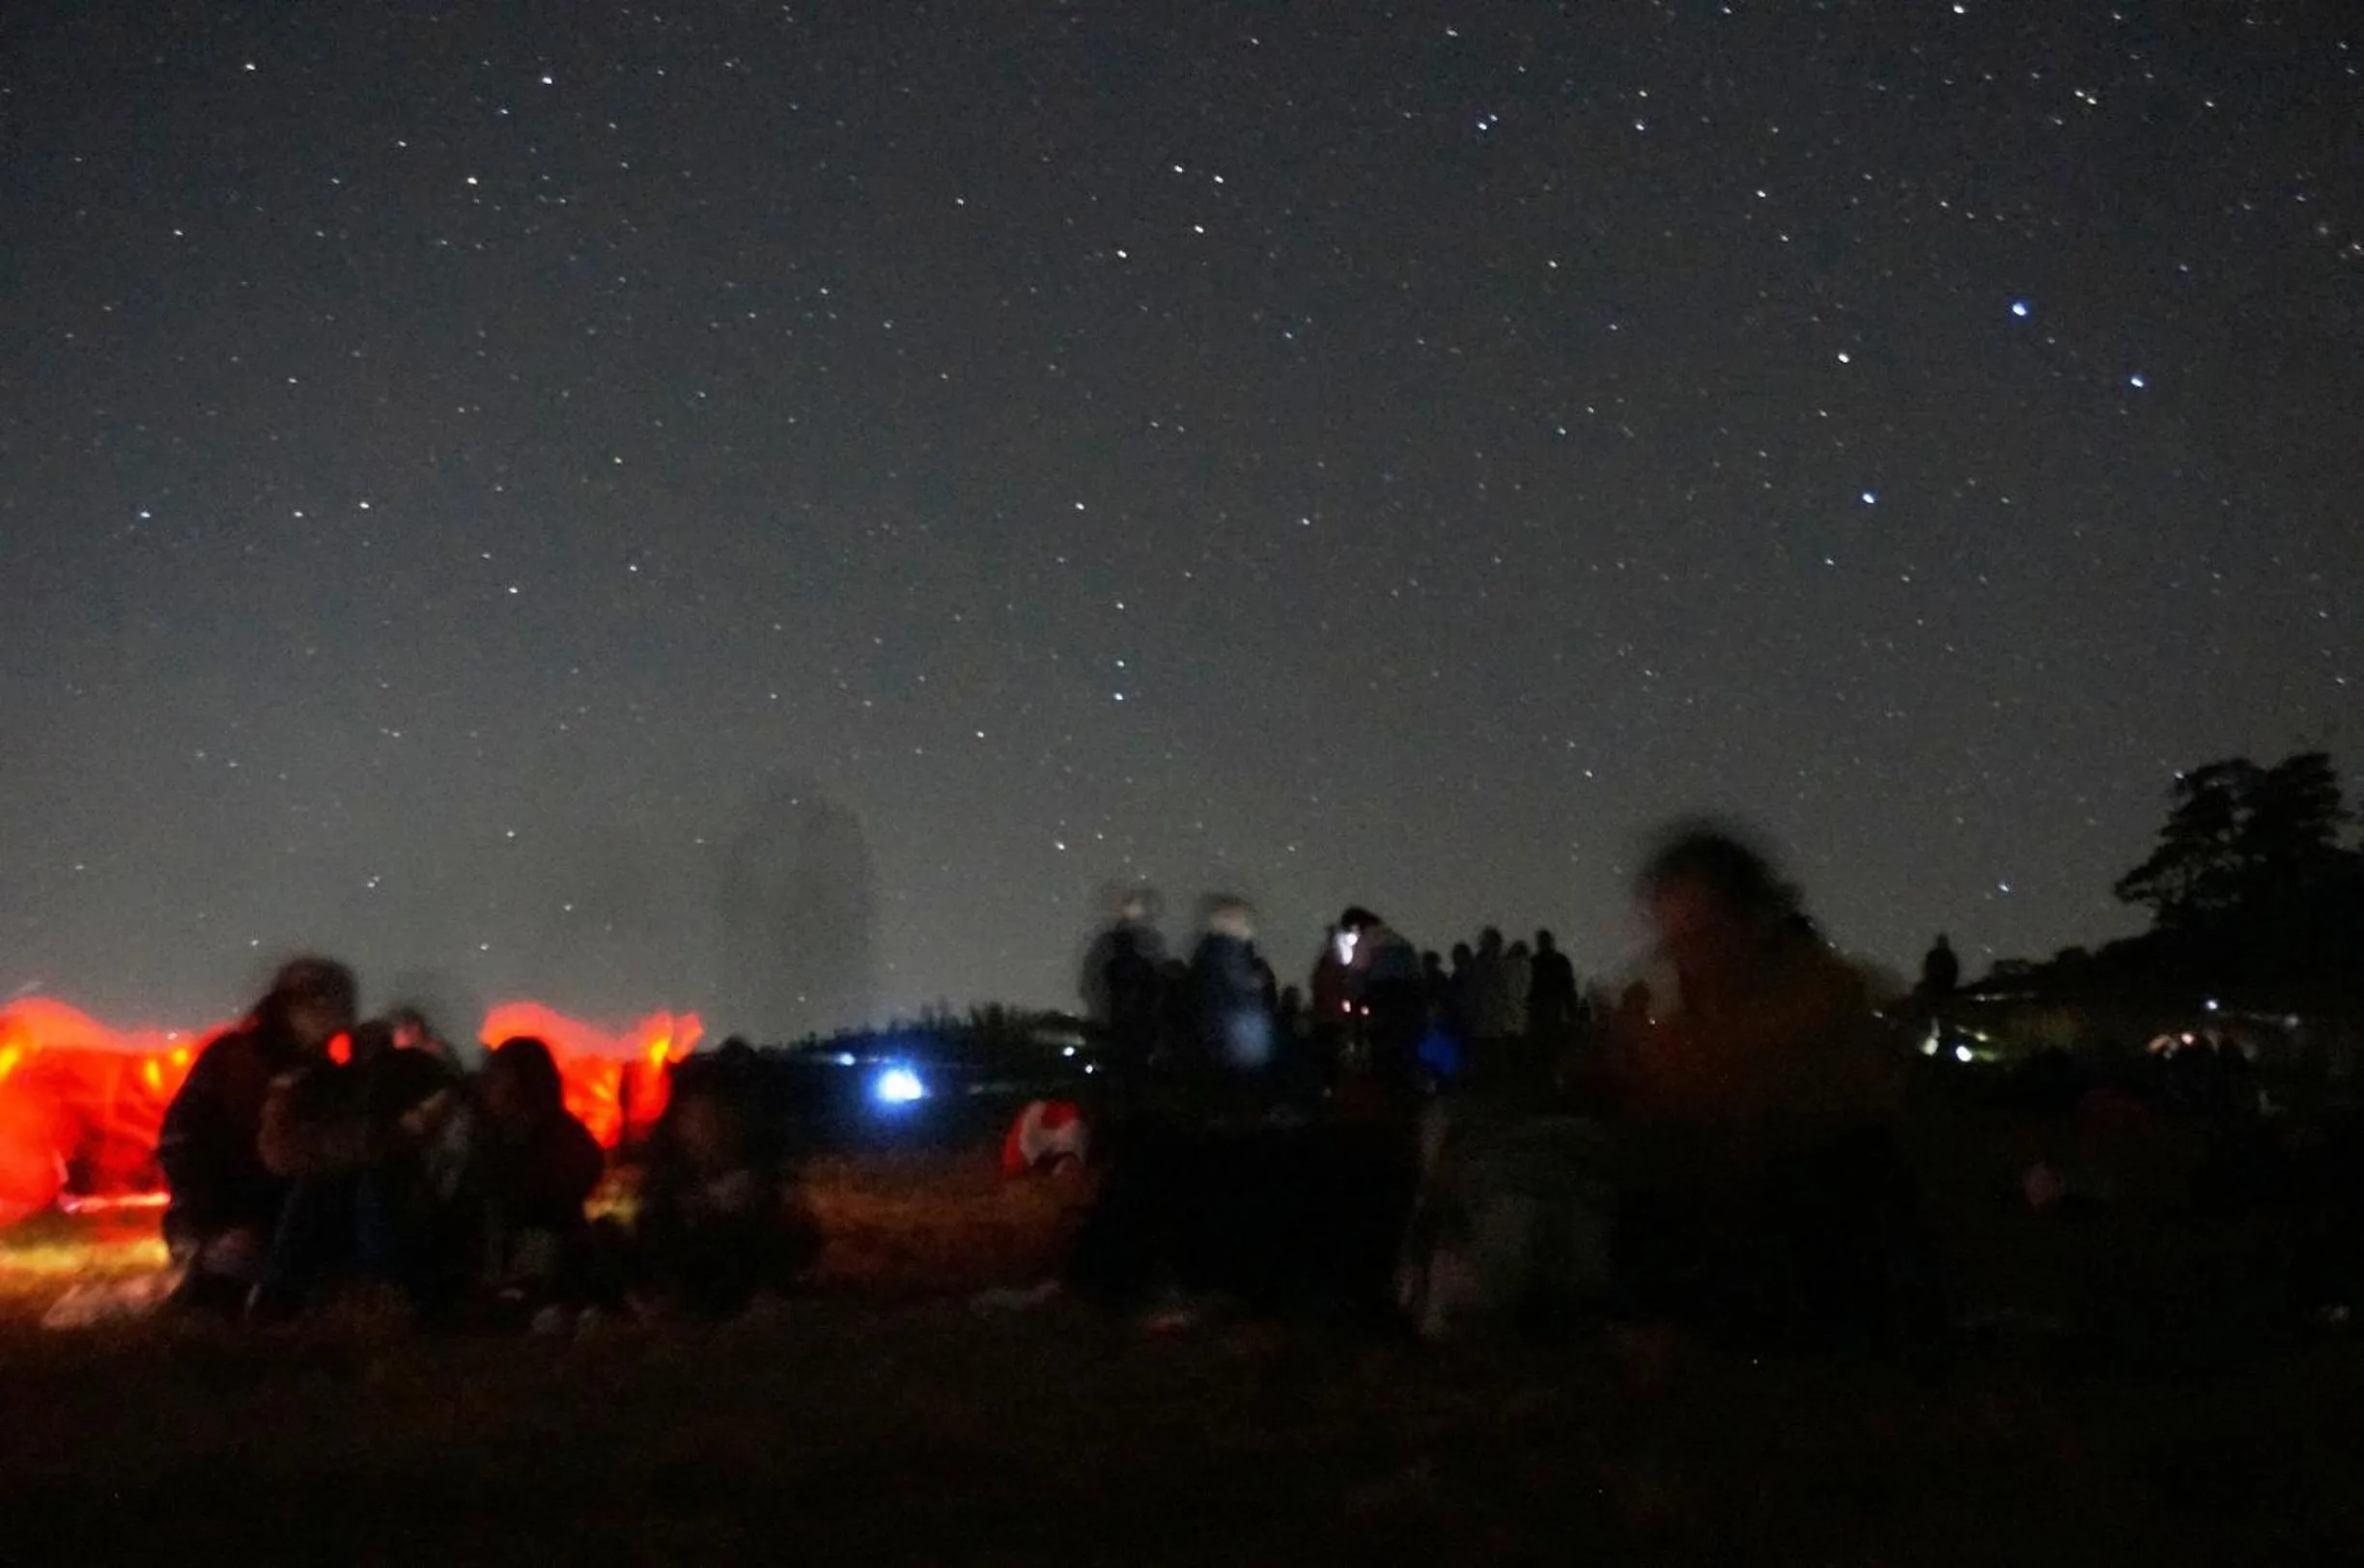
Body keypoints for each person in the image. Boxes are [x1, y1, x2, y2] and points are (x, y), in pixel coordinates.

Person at [1607, 823, 1924, 1345]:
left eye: (1701, 936)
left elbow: (1798, 1113)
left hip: (1813, 1228)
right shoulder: (1690, 1014)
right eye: (1674, 942)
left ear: (1750, 920)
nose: (1686, 957)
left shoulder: (1821, 998)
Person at [157, 956, 358, 1312]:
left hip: (289, 1222)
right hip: (222, 1222)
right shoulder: (231, 1059)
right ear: (290, 1007)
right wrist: (206, 1231)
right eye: (325, 1004)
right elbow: (180, 1144)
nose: (336, 1018)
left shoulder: (327, 1078)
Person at [468, 1035, 606, 1322]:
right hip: (498, 1261)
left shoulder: (561, 1138)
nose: (492, 1090)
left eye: (500, 1080)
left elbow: (573, 1180)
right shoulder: (488, 1138)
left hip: (554, 1263)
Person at [1528, 929, 1578, 1043]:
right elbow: (1569, 989)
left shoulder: (1534, 962)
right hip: (1554, 1010)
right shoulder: (1561, 961)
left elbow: (1529, 990)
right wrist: (1572, 1014)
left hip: (1540, 1012)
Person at [1918, 934, 1960, 1001]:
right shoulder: (1947, 956)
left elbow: (1927, 970)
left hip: (1941, 985)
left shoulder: (1938, 956)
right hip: (1939, 985)